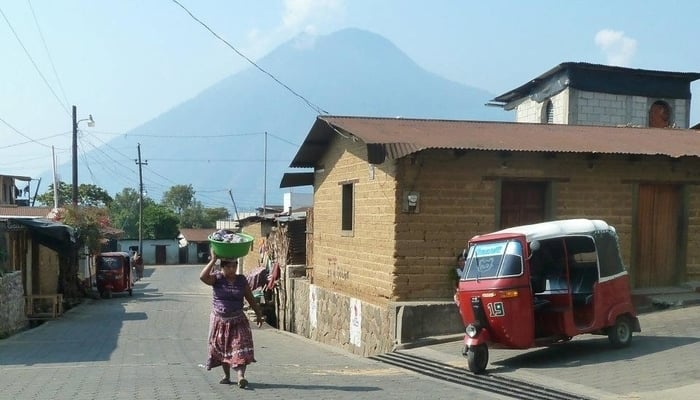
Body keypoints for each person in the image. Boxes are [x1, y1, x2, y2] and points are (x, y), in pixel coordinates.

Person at [200, 249, 264, 388]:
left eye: (234, 266)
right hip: (220, 321)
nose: (231, 269)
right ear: (222, 267)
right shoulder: (217, 278)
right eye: (228, 266)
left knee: (240, 347)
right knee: (224, 349)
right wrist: (213, 260)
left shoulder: (241, 280)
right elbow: (203, 277)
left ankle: (241, 376)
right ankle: (227, 376)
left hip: (238, 320)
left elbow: (249, 297)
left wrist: (258, 314)